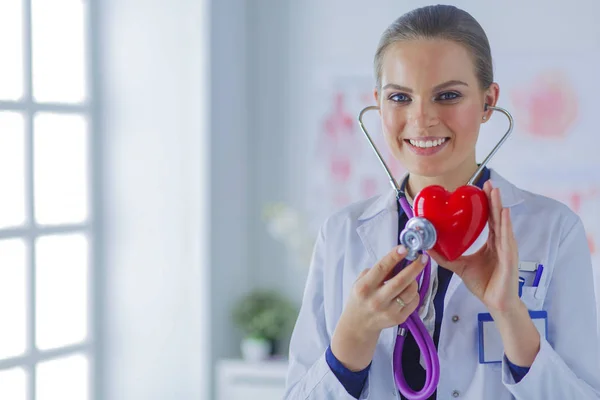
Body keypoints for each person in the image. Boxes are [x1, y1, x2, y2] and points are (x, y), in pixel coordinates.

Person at [284, 4, 600, 400]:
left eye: (447, 95)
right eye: (400, 97)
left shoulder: (554, 230)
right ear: (378, 103)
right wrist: (353, 335)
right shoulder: (341, 233)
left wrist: (510, 312)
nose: (422, 119)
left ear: (488, 102)